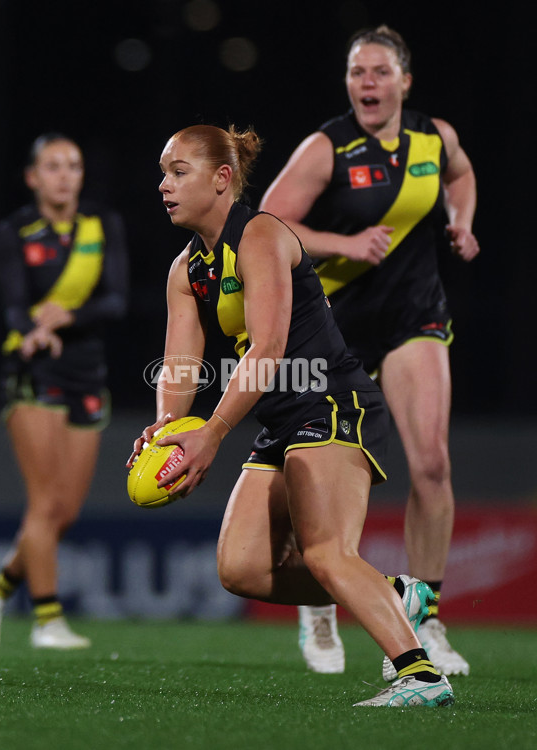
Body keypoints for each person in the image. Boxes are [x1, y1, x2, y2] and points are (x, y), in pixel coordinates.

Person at [127, 123, 454, 707]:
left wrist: (214, 434)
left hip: (333, 404)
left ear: (222, 179)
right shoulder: (187, 269)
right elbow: (179, 367)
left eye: (179, 172)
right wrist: (167, 432)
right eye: (163, 172)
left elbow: (269, 348)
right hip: (283, 423)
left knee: (326, 550)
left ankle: (421, 676)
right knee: (241, 569)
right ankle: (391, 593)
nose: (163, 185)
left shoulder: (259, 235)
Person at [259, 25, 479, 678]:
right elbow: (268, 227)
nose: (368, 84)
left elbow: (462, 176)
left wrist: (462, 220)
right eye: (358, 72)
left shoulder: (433, 138)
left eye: (380, 72)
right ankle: (319, 605)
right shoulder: (328, 147)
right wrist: (342, 243)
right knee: (316, 472)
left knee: (433, 464)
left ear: (405, 82)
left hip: (414, 317)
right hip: (334, 327)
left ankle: (425, 614)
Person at [0, 133, 129, 649]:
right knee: (43, 503)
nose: (64, 175)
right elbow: (13, 305)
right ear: (33, 177)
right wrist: (35, 330)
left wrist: (68, 316)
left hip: (85, 370)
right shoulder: (14, 231)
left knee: (65, 512)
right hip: (33, 368)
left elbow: (117, 300)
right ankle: (47, 619)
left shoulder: (102, 225)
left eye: (73, 166)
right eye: (53, 166)